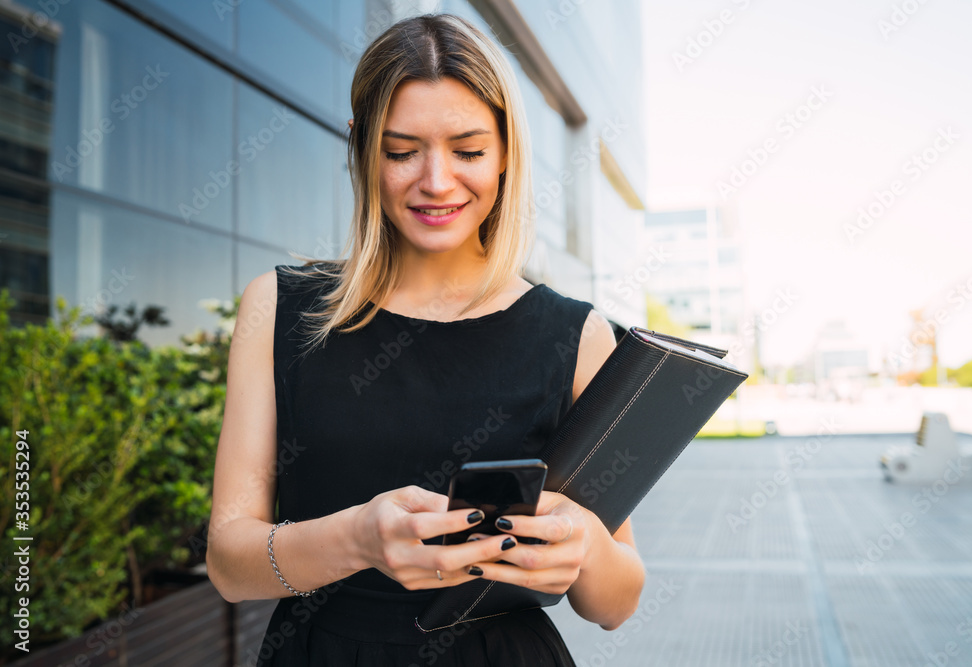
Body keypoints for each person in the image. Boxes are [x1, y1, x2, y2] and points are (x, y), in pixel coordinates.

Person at [206, 13, 645, 666]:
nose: (436, 181)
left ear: (505, 154)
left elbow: (615, 604)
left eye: (468, 150)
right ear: (360, 148)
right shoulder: (278, 307)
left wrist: (585, 542)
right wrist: (356, 538)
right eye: (401, 149)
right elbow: (229, 562)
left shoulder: (576, 334)